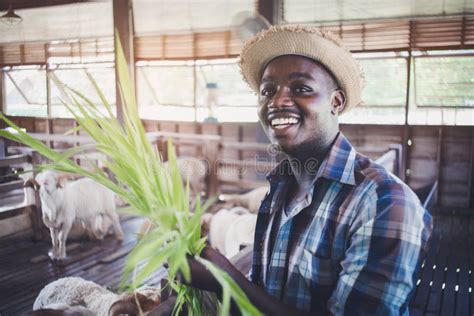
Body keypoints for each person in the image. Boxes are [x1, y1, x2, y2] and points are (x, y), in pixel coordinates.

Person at [185, 25, 433, 315]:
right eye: (267, 90)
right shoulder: (279, 189)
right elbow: (266, 292)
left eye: (301, 88)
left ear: (335, 102)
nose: (277, 101)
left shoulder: (385, 202)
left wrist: (226, 281)